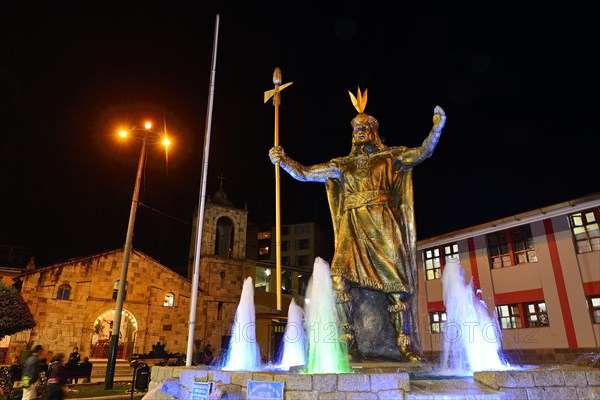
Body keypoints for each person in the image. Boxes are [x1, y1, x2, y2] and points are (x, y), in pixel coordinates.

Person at [269, 88, 446, 361]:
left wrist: (436, 128)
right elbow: (305, 173)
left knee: (396, 289)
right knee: (339, 280)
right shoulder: (342, 164)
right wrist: (283, 160)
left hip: (383, 225)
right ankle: (348, 342)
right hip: (352, 229)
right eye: (356, 129)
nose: (360, 132)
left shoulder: (391, 157)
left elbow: (423, 153)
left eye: (365, 127)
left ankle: (405, 345)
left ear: (374, 132)